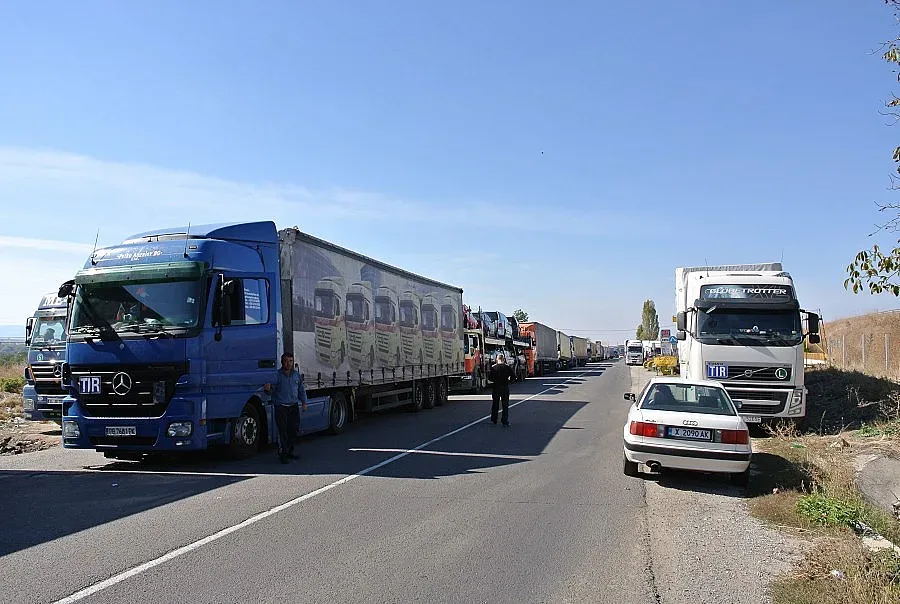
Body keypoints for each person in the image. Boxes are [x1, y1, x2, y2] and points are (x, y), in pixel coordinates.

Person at [264, 352, 308, 464]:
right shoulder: (277, 375)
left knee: (293, 430)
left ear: (293, 362)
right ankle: (283, 454)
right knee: (283, 431)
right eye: (286, 361)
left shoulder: (296, 375)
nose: (288, 363)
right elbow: (270, 392)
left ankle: (290, 451)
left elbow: (301, 390)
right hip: (281, 407)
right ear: (282, 362)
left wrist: (304, 402)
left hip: (293, 406)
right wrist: (267, 389)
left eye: (290, 361)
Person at [489, 353, 515, 426]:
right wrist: (509, 381)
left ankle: (494, 419)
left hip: (496, 388)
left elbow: (490, 378)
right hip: (505, 387)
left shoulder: (493, 368)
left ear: (497, 359)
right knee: (505, 405)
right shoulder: (507, 367)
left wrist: (495, 381)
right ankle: (504, 420)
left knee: (495, 404)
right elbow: (513, 377)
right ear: (503, 359)